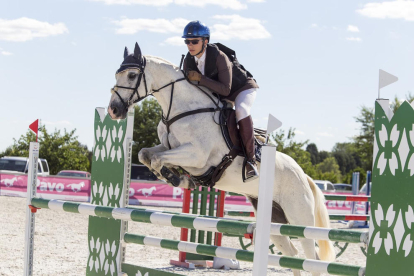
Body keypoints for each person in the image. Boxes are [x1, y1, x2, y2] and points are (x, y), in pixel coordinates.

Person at [182, 20, 260, 182]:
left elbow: (226, 89)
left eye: (194, 41)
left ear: (205, 41)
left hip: (242, 89)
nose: (190, 45)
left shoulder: (219, 56)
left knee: (241, 110)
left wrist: (201, 79)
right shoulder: (188, 60)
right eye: (187, 41)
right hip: (219, 95)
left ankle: (251, 161)